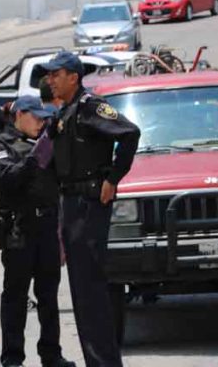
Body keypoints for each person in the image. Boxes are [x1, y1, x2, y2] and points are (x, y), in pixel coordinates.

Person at [40, 51, 140, 367]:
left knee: (90, 290)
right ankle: (96, 360)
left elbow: (129, 134)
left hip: (88, 205)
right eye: (49, 75)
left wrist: (113, 178)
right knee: (82, 291)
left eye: (56, 74)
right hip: (70, 205)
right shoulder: (65, 112)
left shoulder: (91, 107)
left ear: (73, 76)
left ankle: (104, 362)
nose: (50, 80)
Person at [0, 96, 76, 367]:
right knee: (15, 296)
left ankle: (51, 354)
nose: (40, 123)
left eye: (43, 118)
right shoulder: (0, 144)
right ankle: (12, 357)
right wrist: (36, 158)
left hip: (47, 227)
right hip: (19, 229)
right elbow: (7, 177)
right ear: (20, 115)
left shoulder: (46, 142)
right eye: (35, 117)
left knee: (49, 295)